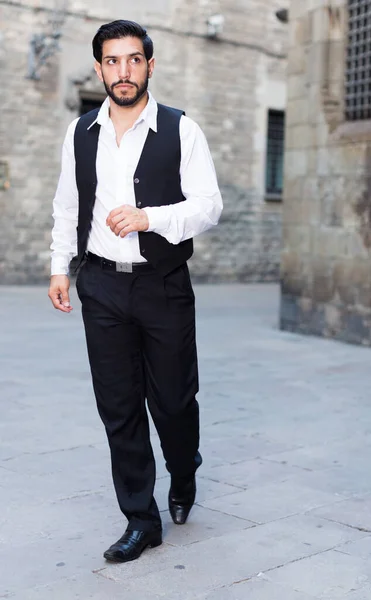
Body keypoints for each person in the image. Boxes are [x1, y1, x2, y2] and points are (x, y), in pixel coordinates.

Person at [48, 19, 222, 563]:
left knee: (172, 403)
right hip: (100, 283)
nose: (123, 71)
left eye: (133, 60)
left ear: (149, 64)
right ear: (100, 67)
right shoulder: (81, 132)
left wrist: (149, 217)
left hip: (163, 286)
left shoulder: (181, 130)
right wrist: (60, 267)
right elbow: (67, 205)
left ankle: (184, 469)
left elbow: (208, 205)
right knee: (118, 407)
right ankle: (140, 520)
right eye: (112, 61)